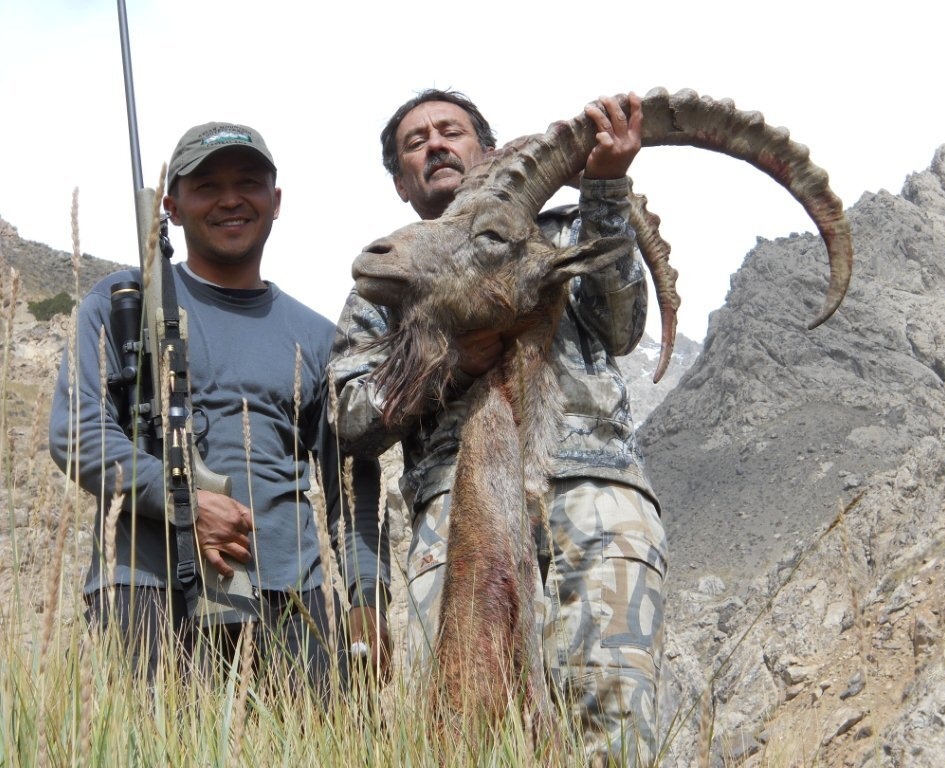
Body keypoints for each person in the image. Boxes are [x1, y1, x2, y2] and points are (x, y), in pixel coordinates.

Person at [328, 90, 667, 765]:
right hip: (456, 510)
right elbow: (352, 420)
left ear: (484, 150)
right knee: (465, 730)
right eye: (413, 143)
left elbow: (623, 327)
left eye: (450, 131)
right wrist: (447, 361)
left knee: (613, 723)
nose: (433, 145)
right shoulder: (388, 279)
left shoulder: (564, 234)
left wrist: (606, 191)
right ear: (401, 182)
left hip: (593, 493)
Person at [49, 122, 358, 693]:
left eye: (249, 182)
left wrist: (365, 596)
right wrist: (183, 501)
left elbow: (349, 484)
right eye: (206, 185)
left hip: (293, 599)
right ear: (172, 206)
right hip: (148, 591)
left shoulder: (318, 337)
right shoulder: (121, 304)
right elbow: (77, 437)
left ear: (276, 201)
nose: (230, 198)